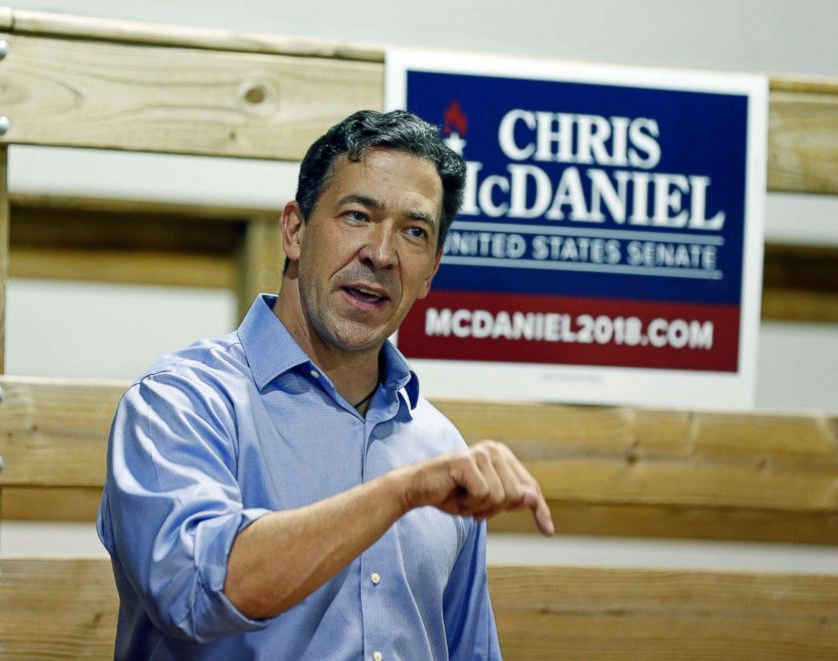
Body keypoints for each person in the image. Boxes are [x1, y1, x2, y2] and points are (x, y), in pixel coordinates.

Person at [97, 109, 554, 660]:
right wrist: (399, 492)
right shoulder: (180, 403)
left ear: (431, 271)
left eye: (413, 231)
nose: (382, 254)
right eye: (358, 215)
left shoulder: (439, 446)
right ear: (295, 230)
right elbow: (195, 593)